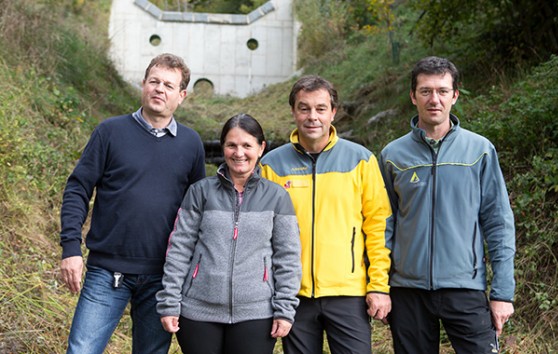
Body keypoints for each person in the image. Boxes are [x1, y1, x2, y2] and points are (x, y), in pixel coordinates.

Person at [59, 53, 206, 354]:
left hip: (163, 276)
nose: (159, 89)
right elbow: (77, 188)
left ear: (182, 95)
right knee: (81, 350)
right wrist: (71, 248)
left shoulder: (192, 145)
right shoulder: (110, 132)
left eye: (168, 84)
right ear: (143, 84)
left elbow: (196, 211)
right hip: (106, 271)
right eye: (154, 81)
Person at [379, 56, 516, 353]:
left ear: (455, 95)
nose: (434, 99)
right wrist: (379, 286)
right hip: (408, 291)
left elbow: (498, 222)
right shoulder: (392, 155)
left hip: (465, 287)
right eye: (426, 91)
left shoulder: (479, 150)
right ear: (413, 96)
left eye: (442, 91)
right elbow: (382, 226)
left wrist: (502, 292)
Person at [260, 75, 393, 354]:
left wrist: (378, 285)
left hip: (349, 293)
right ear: (293, 111)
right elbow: (260, 234)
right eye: (304, 108)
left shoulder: (361, 160)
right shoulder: (271, 165)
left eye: (321, 108)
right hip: (292, 294)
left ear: (333, 112)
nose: (312, 117)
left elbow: (378, 226)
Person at [156, 113, 302, 354]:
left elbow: (288, 258)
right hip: (198, 312)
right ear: (223, 147)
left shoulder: (277, 197)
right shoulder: (199, 192)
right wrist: (170, 302)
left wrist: (284, 310)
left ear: (261, 147)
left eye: (247, 145)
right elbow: (179, 249)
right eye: (231, 145)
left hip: (257, 313)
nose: (239, 153)